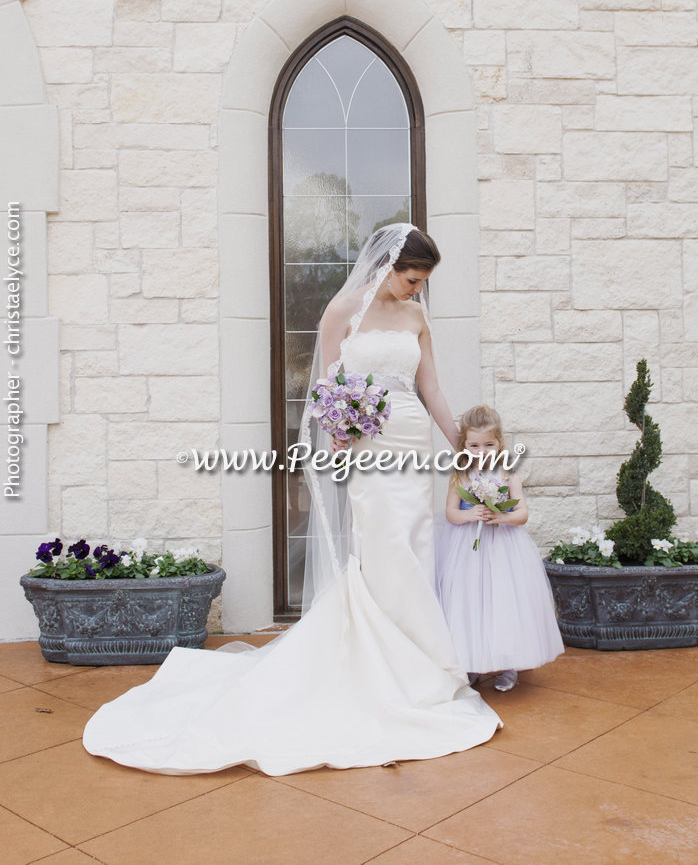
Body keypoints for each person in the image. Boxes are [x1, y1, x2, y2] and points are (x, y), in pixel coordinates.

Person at [83, 223, 502, 776]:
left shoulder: (418, 318)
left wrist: (458, 447)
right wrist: (341, 434)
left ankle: (418, 666)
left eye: (422, 283)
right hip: (369, 450)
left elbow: (433, 390)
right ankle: (386, 669)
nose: (417, 290)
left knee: (416, 545)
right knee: (384, 550)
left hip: (410, 446)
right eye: (412, 279)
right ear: (390, 265)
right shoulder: (342, 311)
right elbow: (327, 388)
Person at [435, 404, 564, 692]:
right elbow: (451, 513)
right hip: (467, 550)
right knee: (468, 603)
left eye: (489, 444)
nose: (482, 451)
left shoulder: (508, 477)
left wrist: (500, 516)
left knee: (503, 602)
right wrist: (471, 515)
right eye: (475, 445)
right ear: (464, 446)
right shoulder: (460, 477)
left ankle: (510, 666)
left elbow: (522, 515)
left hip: (504, 549)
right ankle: (470, 663)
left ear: (500, 444)